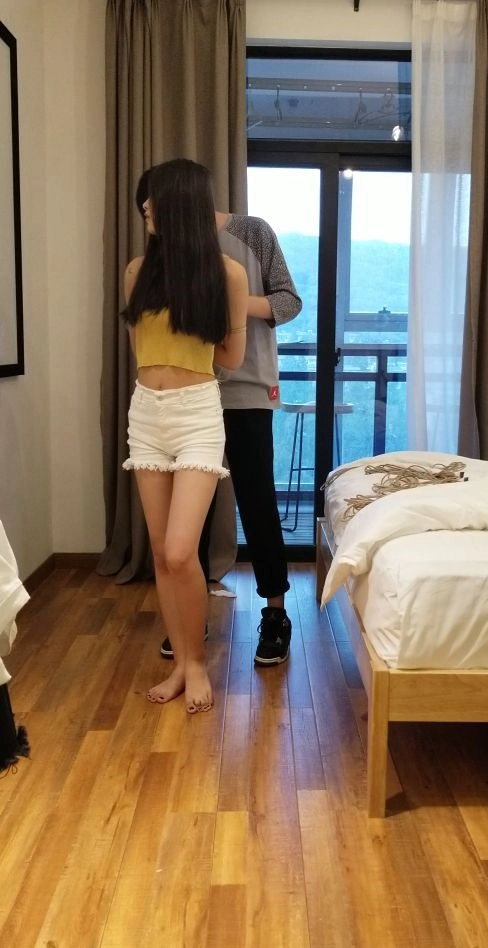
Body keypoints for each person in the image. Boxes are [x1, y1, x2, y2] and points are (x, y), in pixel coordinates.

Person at [135, 169, 302, 667]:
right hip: (186, 395)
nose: (148, 213)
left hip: (246, 388)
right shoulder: (161, 256)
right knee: (193, 517)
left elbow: (289, 301)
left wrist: (224, 297)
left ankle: (275, 612)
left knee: (257, 499)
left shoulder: (252, 233)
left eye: (153, 203)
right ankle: (193, 619)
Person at [123, 158, 248, 712]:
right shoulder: (137, 272)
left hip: (197, 413)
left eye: (153, 198)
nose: (145, 207)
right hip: (146, 413)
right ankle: (181, 666)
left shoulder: (227, 275)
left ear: (181, 203)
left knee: (180, 551)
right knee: (159, 550)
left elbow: (232, 357)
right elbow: (140, 351)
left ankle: (196, 663)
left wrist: (197, 320)